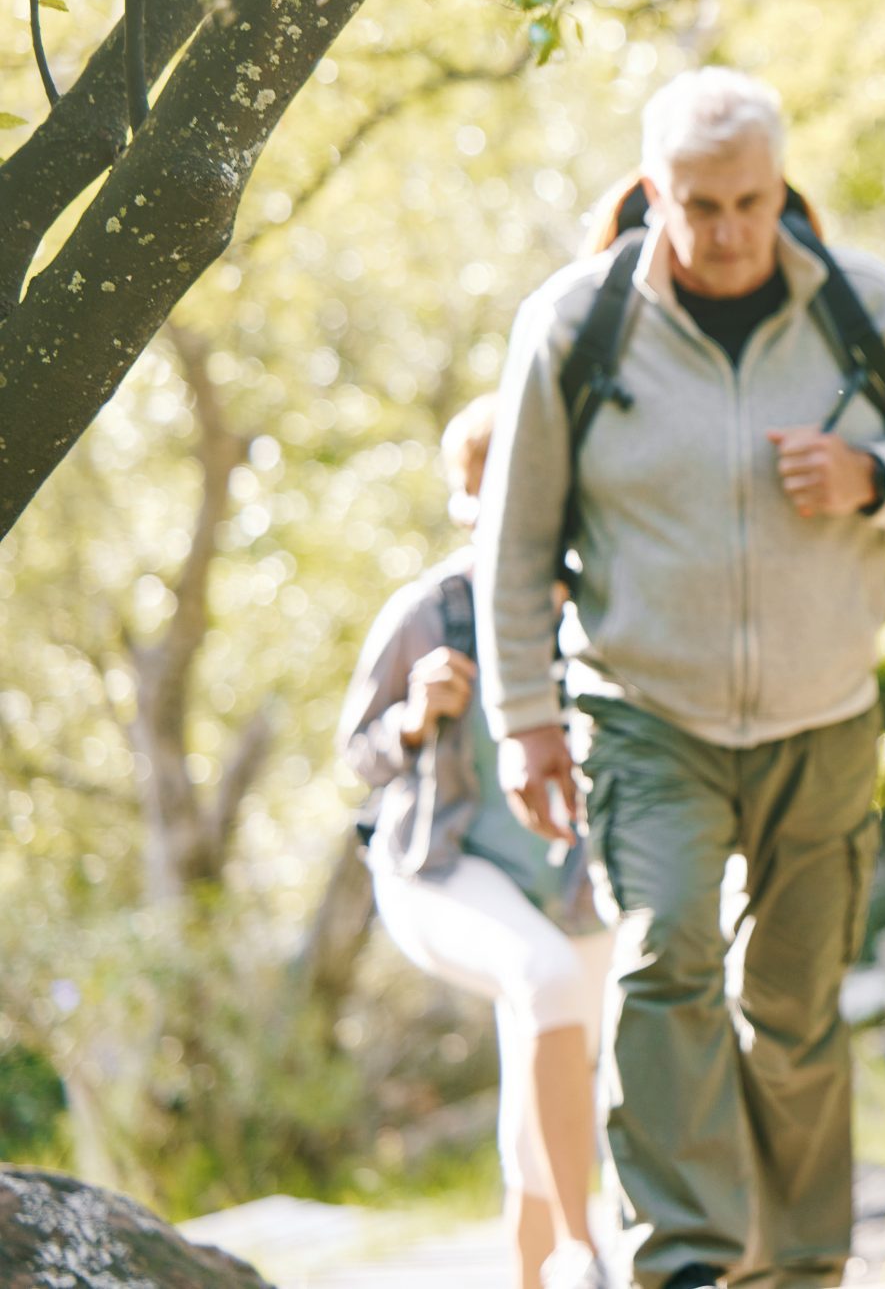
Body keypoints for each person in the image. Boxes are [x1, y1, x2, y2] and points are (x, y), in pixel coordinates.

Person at [475, 67, 885, 1289]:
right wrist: (525, 723)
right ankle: (692, 1263)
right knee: (666, 961)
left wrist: (874, 480)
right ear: (655, 193)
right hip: (645, 711)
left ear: (781, 182)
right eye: (698, 205)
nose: (727, 232)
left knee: (799, 1008)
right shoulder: (575, 326)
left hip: (824, 711)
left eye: (750, 201)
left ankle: (804, 1264)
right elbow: (514, 541)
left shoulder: (867, 311)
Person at [339, 395, 612, 1289]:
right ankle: (585, 1255)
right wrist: (415, 720)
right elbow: (357, 754)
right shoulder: (427, 611)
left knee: (550, 1071)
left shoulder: (597, 601)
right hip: (441, 873)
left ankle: (535, 1275)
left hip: (571, 882)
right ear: (465, 504)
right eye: (492, 490)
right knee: (547, 981)